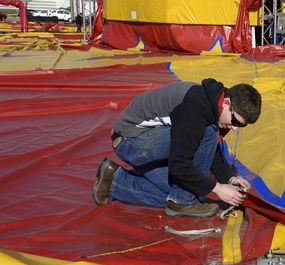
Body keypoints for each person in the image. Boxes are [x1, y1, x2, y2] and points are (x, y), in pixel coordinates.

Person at [92, 78, 261, 217]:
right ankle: (185, 202)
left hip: (143, 142)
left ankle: (114, 181)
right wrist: (218, 189)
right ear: (226, 102)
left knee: (175, 195)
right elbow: (179, 165)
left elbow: (209, 149)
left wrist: (229, 178)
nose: (235, 128)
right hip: (129, 141)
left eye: (241, 126)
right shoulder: (196, 108)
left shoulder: (212, 104)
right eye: (236, 121)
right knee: (208, 133)